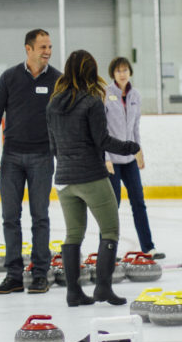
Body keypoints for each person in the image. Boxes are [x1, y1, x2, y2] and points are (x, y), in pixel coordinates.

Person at [47, 49, 140, 307]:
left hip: (64, 179)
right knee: (110, 230)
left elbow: (53, 145)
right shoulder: (91, 102)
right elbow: (102, 141)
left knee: (73, 234)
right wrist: (130, 147)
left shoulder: (53, 103)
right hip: (91, 176)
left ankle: (74, 292)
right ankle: (103, 288)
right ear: (90, 71)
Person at [0, 29, 61, 295]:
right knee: (10, 218)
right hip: (12, 158)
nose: (47, 51)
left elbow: (65, 118)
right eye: (42, 47)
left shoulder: (57, 80)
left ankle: (40, 274)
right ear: (28, 49)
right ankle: (14, 275)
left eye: (49, 46)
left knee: (40, 217)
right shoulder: (10, 77)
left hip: (43, 157)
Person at [104, 56, 163, 259]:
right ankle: (109, 249)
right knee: (113, 206)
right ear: (113, 73)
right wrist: (106, 158)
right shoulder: (105, 94)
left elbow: (136, 127)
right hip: (112, 159)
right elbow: (101, 130)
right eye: (119, 70)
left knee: (139, 202)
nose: (122, 73)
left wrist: (139, 152)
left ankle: (148, 247)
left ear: (130, 72)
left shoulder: (135, 95)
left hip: (129, 160)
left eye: (125, 70)